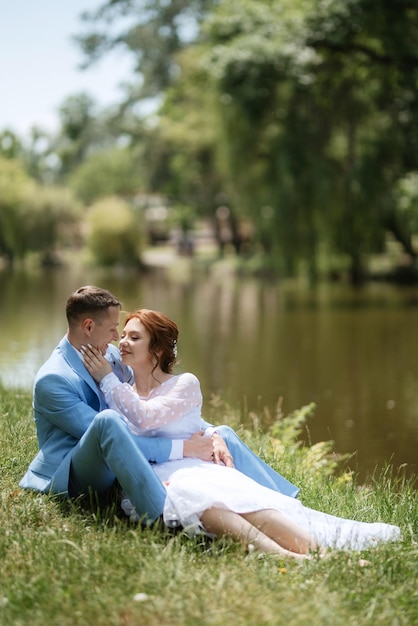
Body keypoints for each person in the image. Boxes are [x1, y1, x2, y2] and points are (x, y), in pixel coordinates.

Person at [81, 308, 401, 559]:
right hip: (162, 476)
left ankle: (320, 553)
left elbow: (149, 419)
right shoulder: (123, 391)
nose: (122, 342)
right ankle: (286, 557)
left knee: (248, 504)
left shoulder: (184, 383)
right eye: (122, 335)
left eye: (134, 337)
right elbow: (132, 430)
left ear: (157, 350)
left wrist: (107, 379)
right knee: (208, 501)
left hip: (194, 468)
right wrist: (110, 381)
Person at [19, 286, 298, 527]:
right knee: (108, 422)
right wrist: (183, 448)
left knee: (222, 433)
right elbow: (112, 437)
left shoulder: (112, 357)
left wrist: (210, 433)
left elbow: (143, 403)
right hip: (79, 470)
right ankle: (162, 512)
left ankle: (279, 497)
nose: (118, 337)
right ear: (89, 327)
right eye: (113, 328)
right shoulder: (54, 379)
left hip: (122, 449)